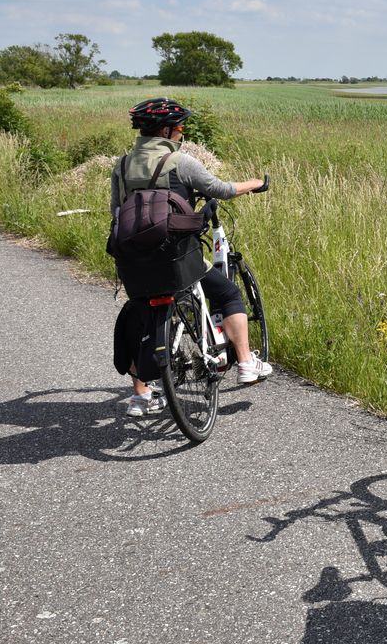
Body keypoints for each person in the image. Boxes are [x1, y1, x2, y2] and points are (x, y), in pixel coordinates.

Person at [113, 97, 272, 416]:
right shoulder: (181, 163)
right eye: (181, 127)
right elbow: (222, 189)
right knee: (228, 293)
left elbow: (116, 212)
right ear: (169, 130)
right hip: (176, 259)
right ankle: (245, 362)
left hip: (131, 260)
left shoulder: (121, 166)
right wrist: (256, 184)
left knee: (139, 314)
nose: (182, 133)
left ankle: (141, 395)